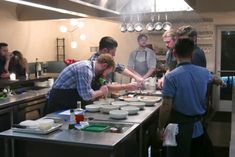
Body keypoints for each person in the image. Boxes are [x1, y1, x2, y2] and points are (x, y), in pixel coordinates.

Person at [159, 38, 223, 157]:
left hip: (178, 130)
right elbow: (214, 78)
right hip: (198, 128)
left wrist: (161, 127)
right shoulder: (204, 72)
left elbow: (166, 106)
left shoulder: (171, 77)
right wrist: (220, 82)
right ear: (192, 54)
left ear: (174, 54)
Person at [46, 54, 138, 114]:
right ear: (104, 65)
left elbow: (105, 87)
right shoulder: (85, 69)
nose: (105, 76)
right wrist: (101, 92)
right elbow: (86, 95)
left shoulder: (94, 71)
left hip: (69, 105)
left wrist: (126, 87)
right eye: (107, 73)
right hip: (59, 105)